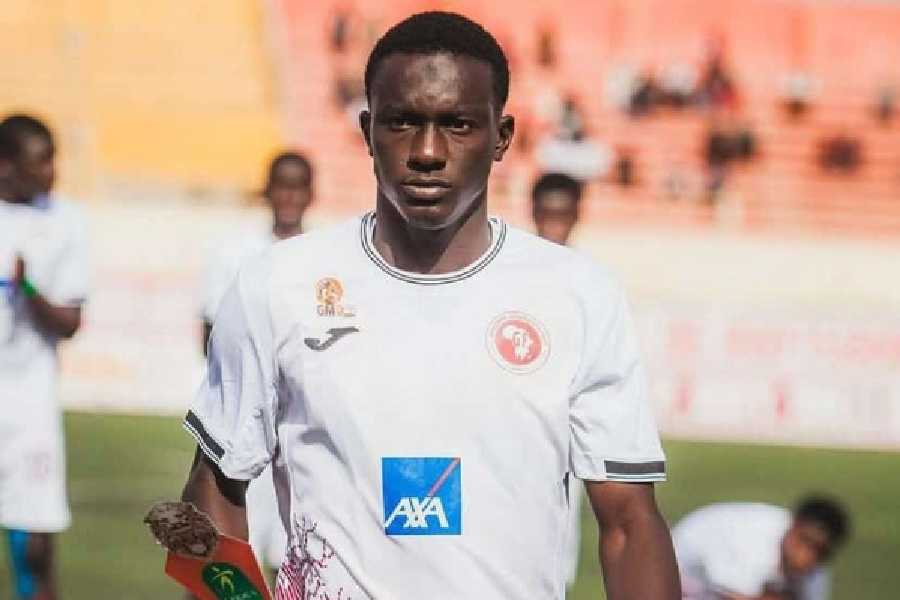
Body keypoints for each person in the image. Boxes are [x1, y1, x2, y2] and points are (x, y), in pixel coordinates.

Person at [180, 11, 679, 599]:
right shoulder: (277, 285)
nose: (427, 151)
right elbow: (211, 496)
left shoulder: (578, 295)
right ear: (367, 130)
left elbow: (628, 523)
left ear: (502, 136)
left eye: (457, 124)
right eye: (402, 122)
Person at [199, 150, 314, 581]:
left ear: (310, 194)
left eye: (297, 187)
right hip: (246, 426)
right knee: (224, 553)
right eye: (282, 186)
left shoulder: (319, 261)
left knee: (293, 558)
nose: (289, 197)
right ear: (267, 190)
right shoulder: (236, 254)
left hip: (299, 427)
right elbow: (210, 338)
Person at [0, 114, 89, 600]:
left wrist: (29, 289)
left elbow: (70, 322)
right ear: (6, 165)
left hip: (29, 406)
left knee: (36, 545)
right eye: (40, 161)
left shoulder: (66, 221)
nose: (52, 172)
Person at [531, 171, 583, 590]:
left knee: (558, 552)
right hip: (512, 422)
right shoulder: (509, 274)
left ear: (577, 217)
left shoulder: (589, 283)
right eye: (546, 214)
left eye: (562, 215)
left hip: (564, 430)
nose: (554, 225)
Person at [673, 496, 850, 600]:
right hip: (679, 572)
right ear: (793, 527)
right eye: (805, 542)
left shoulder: (817, 571)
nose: (807, 556)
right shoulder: (751, 541)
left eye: (820, 551)